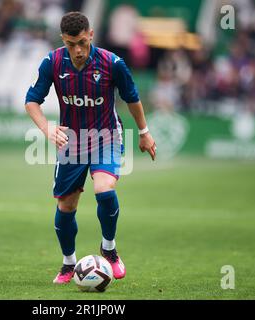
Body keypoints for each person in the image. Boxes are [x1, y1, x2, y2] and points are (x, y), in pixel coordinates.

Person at [25, 12, 156, 284]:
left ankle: (109, 249)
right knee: (66, 207)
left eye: (82, 42)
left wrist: (144, 132)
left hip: (106, 135)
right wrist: (47, 128)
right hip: (71, 142)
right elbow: (31, 101)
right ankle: (68, 264)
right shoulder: (52, 62)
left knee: (104, 188)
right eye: (71, 44)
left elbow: (132, 98)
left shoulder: (112, 63)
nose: (78, 50)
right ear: (63, 40)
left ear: (91, 35)